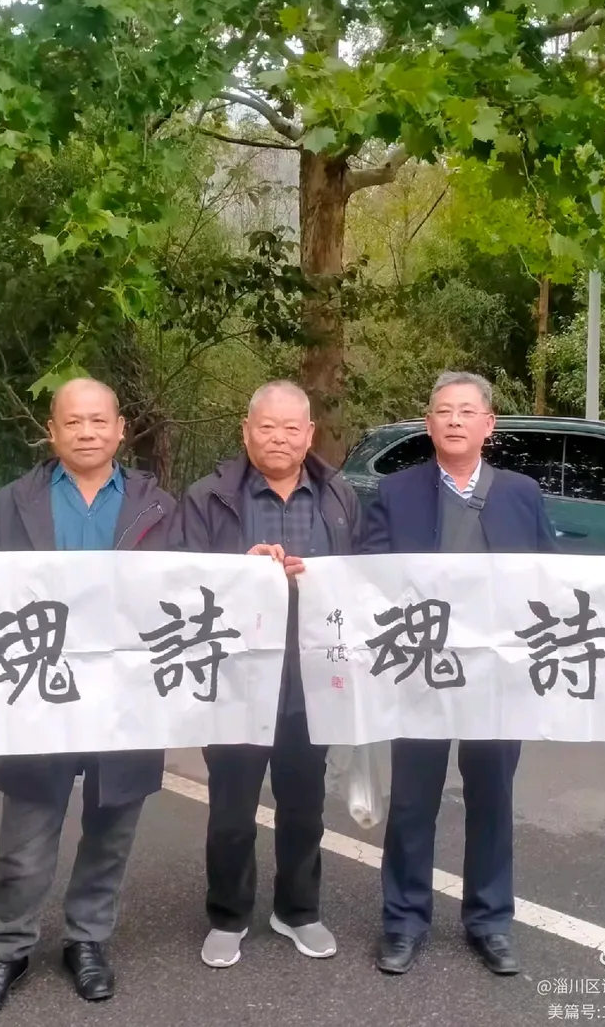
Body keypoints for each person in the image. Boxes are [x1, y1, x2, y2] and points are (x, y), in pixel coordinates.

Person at [364, 371, 605, 979]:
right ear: (429, 424)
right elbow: (365, 572)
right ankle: (403, 921)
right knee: (413, 800)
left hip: (499, 676)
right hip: (422, 666)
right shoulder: (395, 492)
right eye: (443, 410)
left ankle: (490, 921)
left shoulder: (520, 493)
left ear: (488, 425)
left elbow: (551, 577)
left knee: (492, 798)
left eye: (466, 411)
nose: (454, 420)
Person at [0, 378, 181, 1021]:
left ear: (120, 429)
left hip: (126, 697)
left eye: (98, 420)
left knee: (111, 830)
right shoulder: (13, 503)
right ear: (51, 432)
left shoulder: (157, 505)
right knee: (26, 836)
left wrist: (255, 570)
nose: (87, 432)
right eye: (73, 421)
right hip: (39, 691)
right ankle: (7, 950)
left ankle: (87, 941)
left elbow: (198, 580)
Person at [181, 380, 362, 969]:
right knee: (231, 809)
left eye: (291, 428)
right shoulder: (209, 497)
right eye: (266, 426)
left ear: (310, 434)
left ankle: (298, 910)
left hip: (311, 681)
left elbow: (364, 579)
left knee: (304, 806)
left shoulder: (339, 497)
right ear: (246, 431)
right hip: (235, 680)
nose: (278, 438)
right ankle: (228, 915)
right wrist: (241, 572)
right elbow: (181, 579)